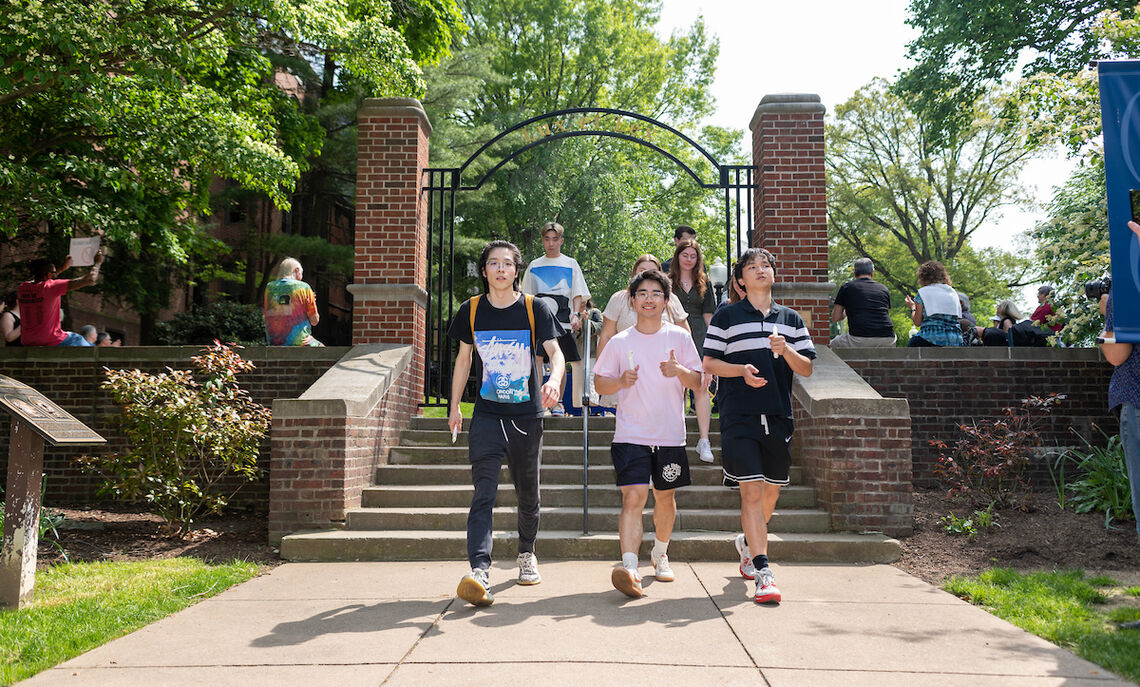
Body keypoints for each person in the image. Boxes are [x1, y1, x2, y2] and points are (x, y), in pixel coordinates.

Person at [448, 240, 565, 607]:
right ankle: (479, 569)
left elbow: (556, 354)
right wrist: (454, 407)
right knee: (484, 491)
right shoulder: (471, 311)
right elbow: (464, 361)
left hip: (526, 417)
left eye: (508, 264)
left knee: (527, 492)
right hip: (486, 415)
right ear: (484, 271)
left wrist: (554, 379)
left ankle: (526, 554)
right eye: (493, 263)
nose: (500, 269)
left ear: (517, 271)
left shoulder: (535, 309)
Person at [702, 248, 816, 605]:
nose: (760, 270)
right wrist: (740, 371)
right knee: (750, 491)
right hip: (738, 415)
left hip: (778, 415)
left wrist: (786, 352)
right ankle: (764, 572)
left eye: (765, 265)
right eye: (752, 267)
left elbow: (807, 369)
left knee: (771, 492)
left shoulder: (792, 320)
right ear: (740, 280)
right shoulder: (727, 316)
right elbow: (709, 362)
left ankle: (748, 543)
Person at [593, 268, 703, 597]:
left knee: (665, 498)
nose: (649, 299)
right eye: (642, 294)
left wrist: (679, 371)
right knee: (633, 497)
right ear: (632, 300)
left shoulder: (680, 338)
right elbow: (600, 383)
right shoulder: (620, 342)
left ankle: (660, 554)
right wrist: (620, 382)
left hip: (669, 434)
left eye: (656, 294)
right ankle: (629, 567)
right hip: (631, 434)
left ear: (667, 301)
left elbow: (698, 382)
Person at [596, 254, 690, 408]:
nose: (646, 274)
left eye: (652, 271)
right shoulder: (620, 298)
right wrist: (603, 372)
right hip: (627, 367)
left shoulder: (671, 300)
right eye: (641, 270)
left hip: (662, 371)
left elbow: (685, 334)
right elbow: (606, 336)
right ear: (634, 274)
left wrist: (681, 368)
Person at [521, 221, 588, 415]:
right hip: (539, 321)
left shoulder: (570, 264)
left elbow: (577, 293)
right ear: (542, 241)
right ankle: (538, 403)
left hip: (563, 321)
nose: (551, 243)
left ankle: (558, 402)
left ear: (561, 241)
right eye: (547, 239)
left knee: (561, 359)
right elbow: (527, 295)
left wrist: (575, 315)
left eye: (555, 239)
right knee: (538, 359)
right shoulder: (534, 265)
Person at [669, 239, 716, 463]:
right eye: (685, 254)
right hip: (671, 337)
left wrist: (712, 349)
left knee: (701, 387)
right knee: (674, 388)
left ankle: (704, 440)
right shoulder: (666, 281)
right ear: (677, 256)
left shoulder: (703, 282)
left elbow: (709, 318)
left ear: (698, 259)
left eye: (693, 256)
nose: (689, 259)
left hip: (698, 338)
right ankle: (672, 439)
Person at [18, 251, 103, 347]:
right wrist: (98, 263)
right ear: (49, 275)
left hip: (27, 339)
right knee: (80, 340)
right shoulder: (51, 287)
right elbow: (90, 279)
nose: (56, 274)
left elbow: (44, 279)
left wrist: (62, 268)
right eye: (54, 272)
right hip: (50, 339)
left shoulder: (22, 287)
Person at [830, 258, 896, 348]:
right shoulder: (884, 289)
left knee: (831, 345)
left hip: (859, 338)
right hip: (888, 338)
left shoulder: (847, 287)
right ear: (872, 273)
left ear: (855, 274)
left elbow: (835, 318)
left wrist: (846, 313)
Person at [264, 258, 323, 346]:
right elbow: (314, 321)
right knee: (321, 347)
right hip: (299, 341)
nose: (301, 277)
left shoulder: (269, 287)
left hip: (273, 342)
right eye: (301, 273)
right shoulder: (304, 287)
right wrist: (312, 302)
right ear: (296, 270)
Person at [904, 261, 962, 347]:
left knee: (913, 342)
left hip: (931, 337)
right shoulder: (952, 292)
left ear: (923, 276)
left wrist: (913, 307)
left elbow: (917, 322)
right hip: (955, 339)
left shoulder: (923, 292)